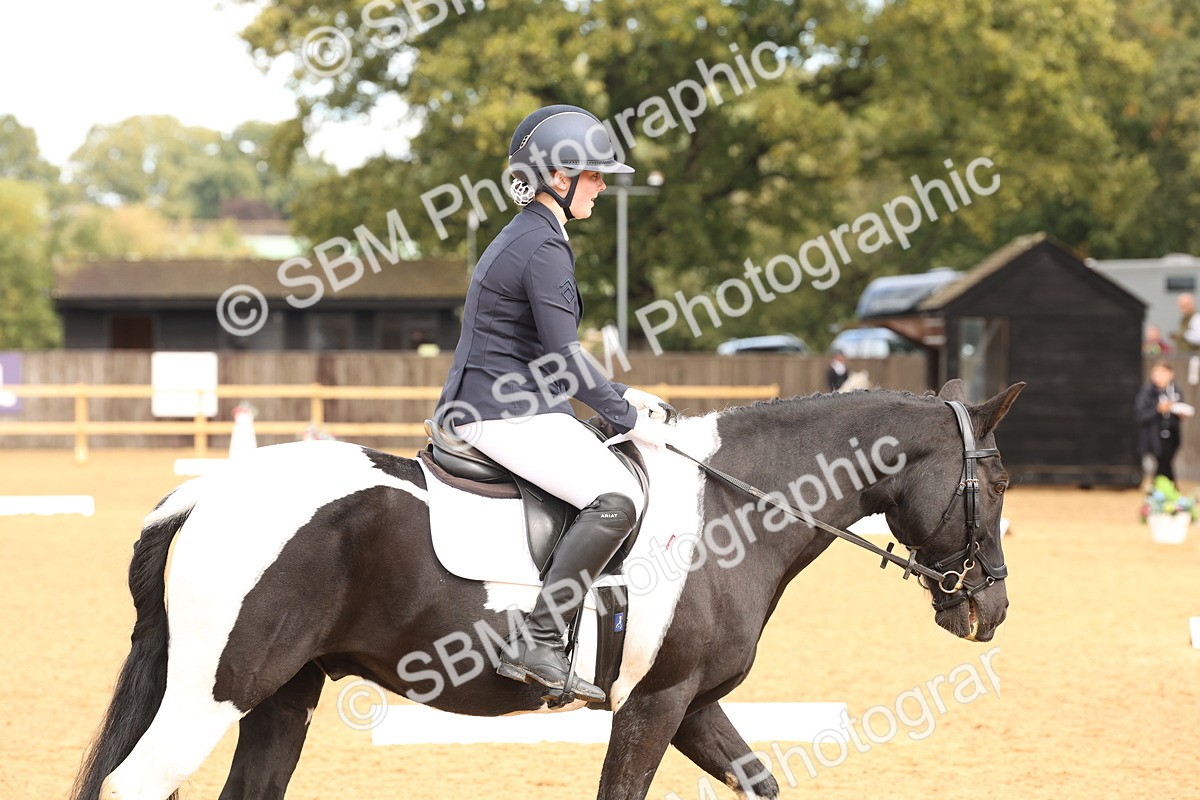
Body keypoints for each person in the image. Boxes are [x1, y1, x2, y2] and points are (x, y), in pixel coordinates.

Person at [434, 105, 671, 703]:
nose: (601, 184)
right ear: (557, 177)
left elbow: (547, 353)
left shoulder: (532, 237)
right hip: (498, 411)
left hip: (508, 400)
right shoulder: (543, 247)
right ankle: (539, 638)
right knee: (618, 497)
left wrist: (621, 396)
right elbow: (565, 358)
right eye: (593, 175)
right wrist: (626, 416)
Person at [1136, 361, 1187, 484]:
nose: (1159, 375)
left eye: (1163, 372)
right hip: (1155, 435)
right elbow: (1141, 415)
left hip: (1172, 433)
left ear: (1171, 374)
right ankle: (1168, 490)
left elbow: (1180, 409)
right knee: (1163, 463)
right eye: (1156, 372)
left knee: (1166, 462)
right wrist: (1158, 410)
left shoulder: (1175, 391)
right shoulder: (1147, 392)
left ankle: (1160, 491)